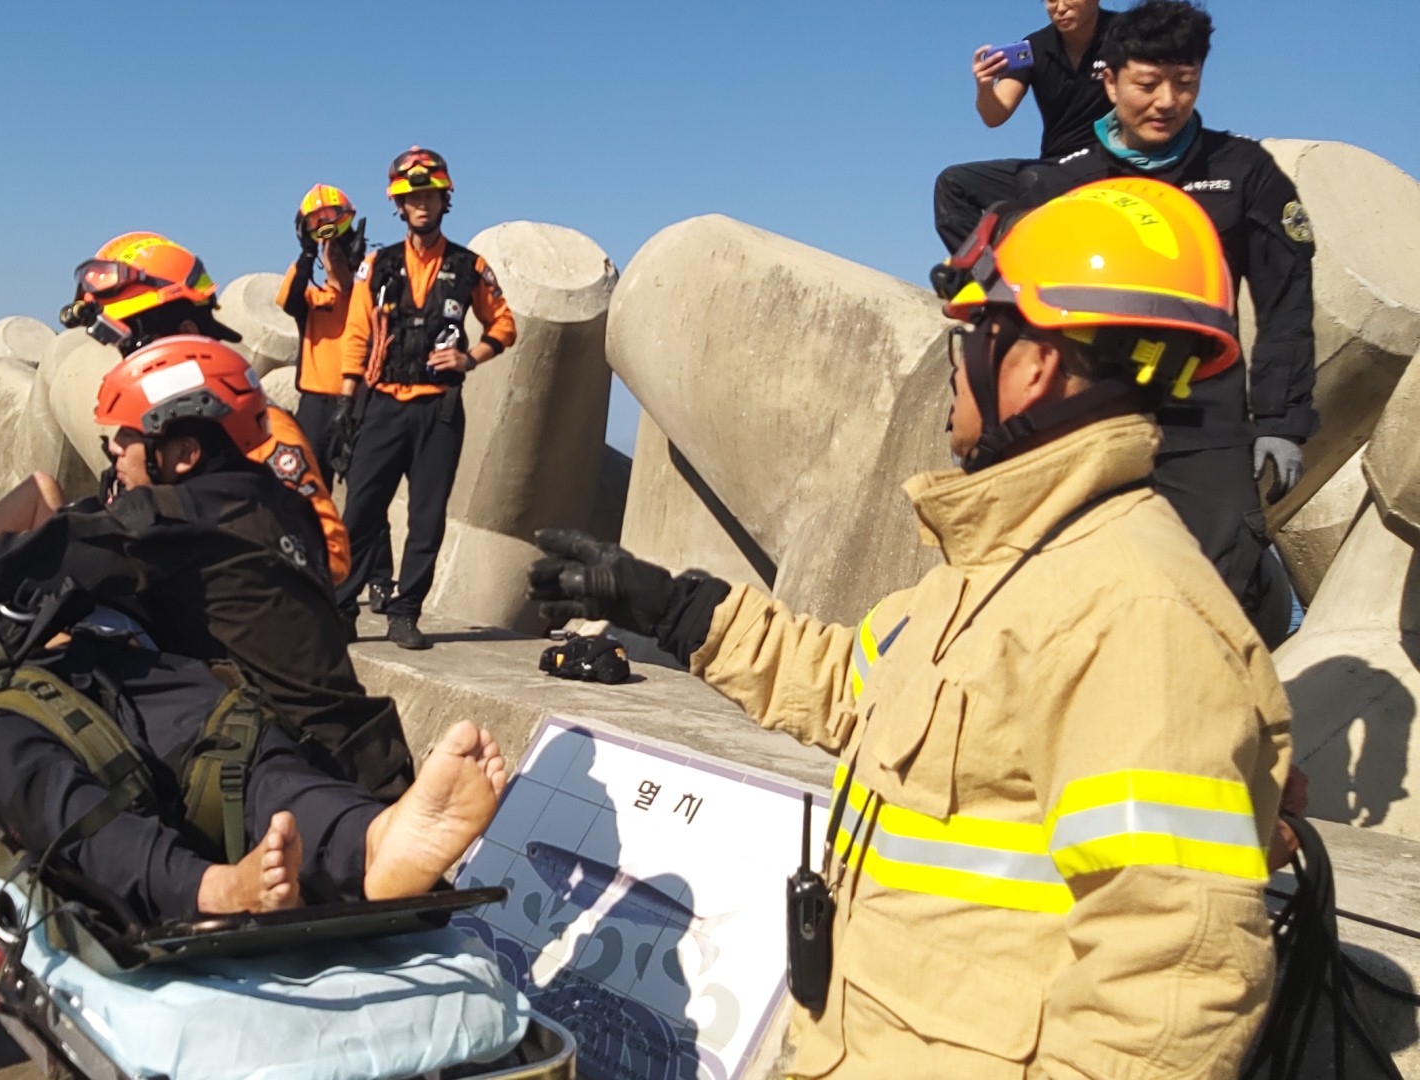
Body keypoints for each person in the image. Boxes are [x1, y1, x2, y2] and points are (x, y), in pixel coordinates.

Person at [531, 179, 1291, 1078]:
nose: (956, 368)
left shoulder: (1136, 618)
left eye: (971, 334)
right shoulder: (993, 576)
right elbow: (847, 686)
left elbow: (1172, 986)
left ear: (1033, 366)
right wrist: (669, 607)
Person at [0, 335, 415, 799]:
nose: (111, 449)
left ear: (184, 453)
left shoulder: (171, 518)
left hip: (297, 779)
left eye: (127, 437)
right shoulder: (275, 500)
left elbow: (27, 559)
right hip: (371, 759)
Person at [1019, 0, 1316, 634]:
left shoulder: (1244, 172)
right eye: (1148, 83)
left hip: (1206, 418)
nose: (1167, 101)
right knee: (1083, 594)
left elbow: (1285, 300)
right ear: (1109, 81)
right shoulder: (1064, 184)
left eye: (1185, 82)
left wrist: (1282, 421)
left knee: (1220, 584)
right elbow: (1022, 314)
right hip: (1093, 416)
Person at [0, 626, 507, 922]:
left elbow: (43, 494)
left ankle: (373, 843)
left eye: (122, 449)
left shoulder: (72, 547)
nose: (115, 454)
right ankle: (219, 891)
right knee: (61, 799)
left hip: (115, 667)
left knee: (245, 748)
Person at [45, 231, 350, 582]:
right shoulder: (157, 418)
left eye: (132, 347)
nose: (126, 362)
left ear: (185, 331)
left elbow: (331, 556)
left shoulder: (255, 426)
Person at [334, 147, 516, 650]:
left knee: (426, 519)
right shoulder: (378, 265)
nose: (421, 205)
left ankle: (405, 612)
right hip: (382, 405)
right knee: (360, 513)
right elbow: (355, 333)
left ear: (444, 200)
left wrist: (470, 358)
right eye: (412, 198)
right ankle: (341, 608)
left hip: (439, 411)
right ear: (399, 205)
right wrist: (346, 403)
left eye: (430, 196)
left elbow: (504, 324)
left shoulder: (469, 265)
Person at [932, 0, 1116, 250]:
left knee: (1036, 182)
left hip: (1112, 158)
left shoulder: (1127, 35)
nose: (1060, 7)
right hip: (1055, 166)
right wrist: (984, 86)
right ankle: (990, 270)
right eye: (1050, 0)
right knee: (953, 183)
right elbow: (994, 116)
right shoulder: (1033, 47)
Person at [277, 184, 365, 488]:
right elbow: (289, 298)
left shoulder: (367, 296)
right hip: (316, 407)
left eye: (341, 245)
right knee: (309, 487)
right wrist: (307, 252)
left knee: (364, 490)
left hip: (360, 404)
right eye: (329, 249)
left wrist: (357, 266)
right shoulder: (313, 299)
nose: (335, 252)